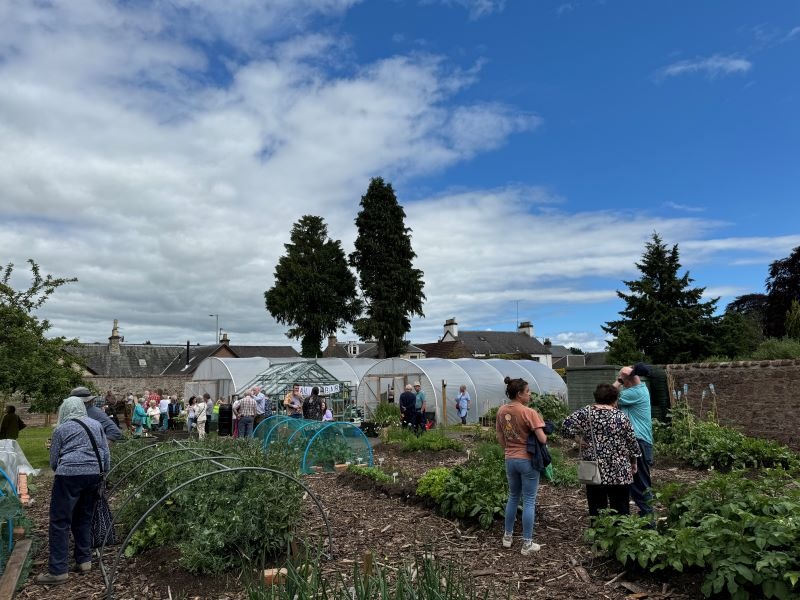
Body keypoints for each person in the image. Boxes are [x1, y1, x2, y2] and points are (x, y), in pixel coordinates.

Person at [34, 396, 109, 585]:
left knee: (60, 521)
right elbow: (105, 453)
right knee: (84, 518)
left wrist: (61, 469)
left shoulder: (61, 429)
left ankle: (58, 571)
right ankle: (84, 561)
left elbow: (53, 460)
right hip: (94, 475)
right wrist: (101, 472)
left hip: (68, 476)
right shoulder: (96, 424)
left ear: (64, 410)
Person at [562, 384, 641, 518]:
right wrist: (634, 461)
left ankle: (598, 534)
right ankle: (622, 535)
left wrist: (579, 440)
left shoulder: (585, 413)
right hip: (619, 468)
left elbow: (565, 427)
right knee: (621, 506)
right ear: (614, 399)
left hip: (594, 467)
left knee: (596, 506)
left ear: (596, 397)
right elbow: (631, 442)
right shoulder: (621, 416)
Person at [496, 376, 546, 555]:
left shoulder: (501, 410)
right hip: (527, 460)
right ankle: (527, 544)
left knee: (513, 496)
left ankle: (507, 537)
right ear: (519, 394)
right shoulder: (529, 412)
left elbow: (500, 436)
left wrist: (509, 449)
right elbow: (542, 438)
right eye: (528, 392)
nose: (530, 395)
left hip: (510, 459)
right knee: (529, 500)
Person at [614, 364, 654, 517]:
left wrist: (618, 381)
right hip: (639, 441)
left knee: (640, 485)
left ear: (627, 382)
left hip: (638, 442)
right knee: (637, 484)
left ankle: (649, 524)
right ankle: (645, 521)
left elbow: (607, 396)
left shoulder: (634, 393)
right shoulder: (639, 390)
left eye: (623, 382)